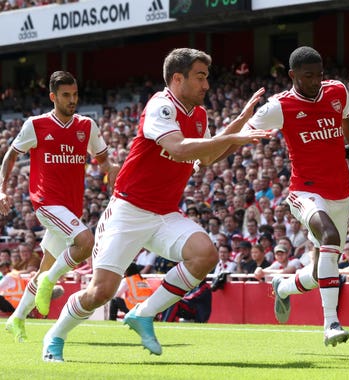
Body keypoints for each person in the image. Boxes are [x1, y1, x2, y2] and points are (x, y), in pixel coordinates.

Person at [42, 48, 270, 362]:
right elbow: (177, 148)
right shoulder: (161, 106)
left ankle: (144, 314)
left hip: (164, 213)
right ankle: (54, 336)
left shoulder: (199, 115)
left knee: (205, 254)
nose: (207, 85)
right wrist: (235, 136)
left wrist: (240, 124)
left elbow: (205, 156)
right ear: (178, 78)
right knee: (101, 292)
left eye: (207, 77)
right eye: (200, 77)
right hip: (128, 211)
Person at [247, 46, 349, 346]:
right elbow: (244, 133)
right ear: (292, 75)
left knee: (325, 268)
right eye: (308, 77)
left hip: (340, 192)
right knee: (330, 236)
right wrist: (205, 152)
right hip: (304, 191)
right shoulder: (279, 107)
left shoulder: (337, 92)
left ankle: (283, 287)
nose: (315, 82)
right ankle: (331, 324)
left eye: (319, 75)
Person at [0, 71, 118, 343]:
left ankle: (17, 318)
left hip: (71, 207)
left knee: (45, 267)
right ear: (53, 96)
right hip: (46, 203)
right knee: (85, 241)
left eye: (75, 95)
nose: (72, 100)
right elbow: (10, 155)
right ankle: (49, 282)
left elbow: (102, 157)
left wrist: (109, 168)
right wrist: (2, 190)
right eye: (66, 95)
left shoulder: (87, 125)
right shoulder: (36, 125)